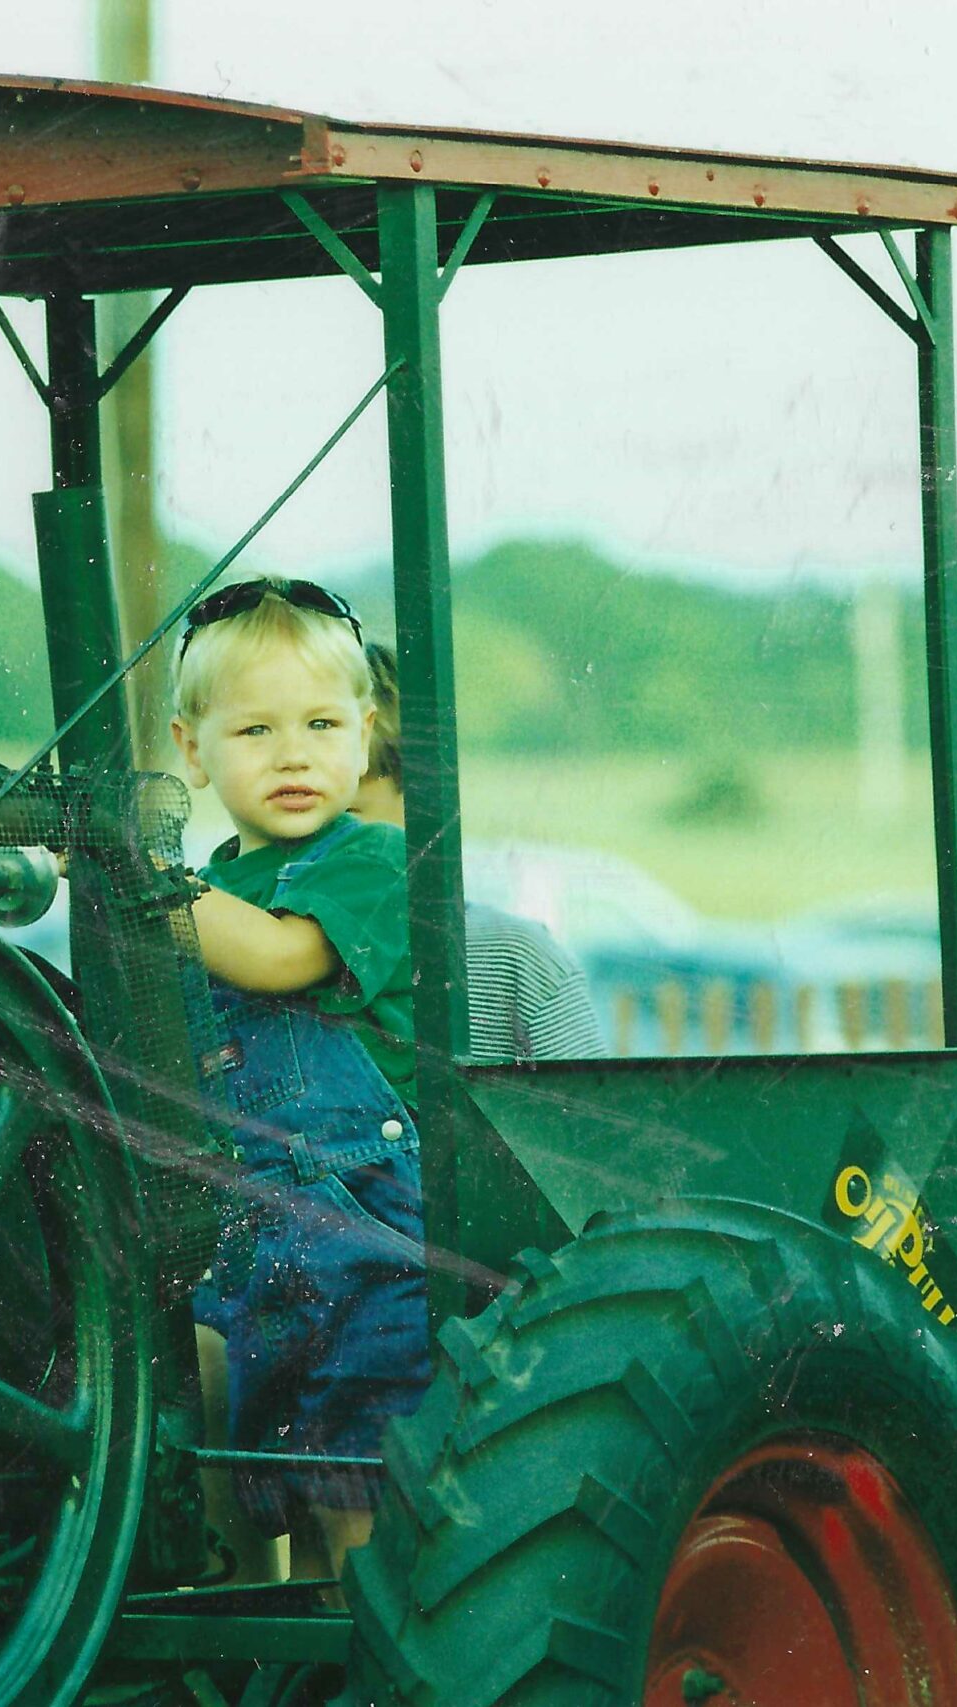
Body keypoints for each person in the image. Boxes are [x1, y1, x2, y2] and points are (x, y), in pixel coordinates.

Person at [171, 577, 429, 1591]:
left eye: (322, 724)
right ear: (192, 753)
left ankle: (364, 1670)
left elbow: (279, 961)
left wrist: (142, 888)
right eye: (255, 730)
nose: (292, 754)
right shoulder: (213, 887)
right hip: (256, 1251)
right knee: (263, 1496)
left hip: (367, 1243)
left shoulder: (370, 861)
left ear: (363, 738)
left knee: (357, 1518)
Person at [350, 642, 608, 1062]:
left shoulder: (516, 963)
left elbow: (593, 1123)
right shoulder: (241, 958)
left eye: (347, 818)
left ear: (426, 802)